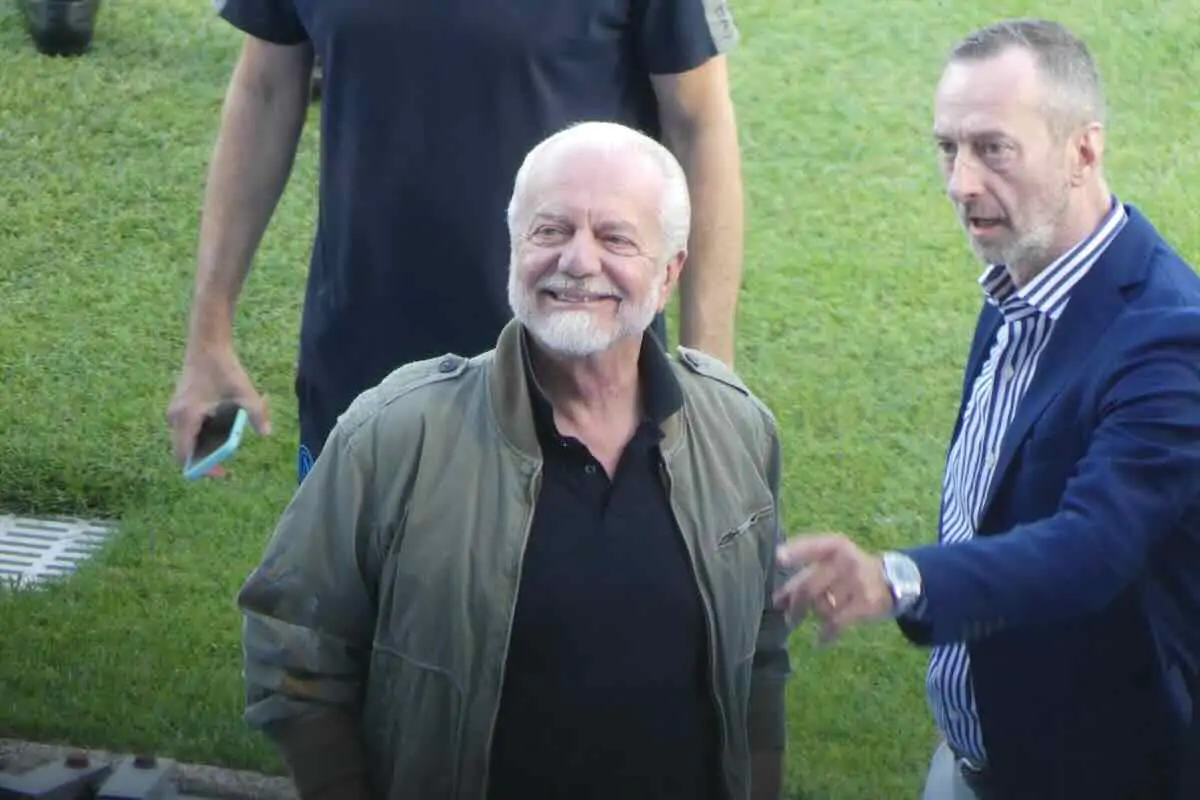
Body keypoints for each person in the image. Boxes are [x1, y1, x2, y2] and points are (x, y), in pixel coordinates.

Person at [235, 122, 791, 800]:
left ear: (670, 271)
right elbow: (292, 644)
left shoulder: (737, 431)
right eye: (550, 230)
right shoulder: (396, 435)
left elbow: (762, 654)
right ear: (513, 249)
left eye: (615, 238)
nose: (577, 261)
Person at [772, 18, 1200, 800]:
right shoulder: (1018, 285)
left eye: (993, 149)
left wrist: (898, 580)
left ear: (1083, 151)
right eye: (948, 148)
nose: (960, 183)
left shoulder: (1170, 336)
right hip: (976, 759)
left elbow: (1092, 547)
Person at [166, 0, 746, 483]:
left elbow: (697, 124)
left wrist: (708, 381)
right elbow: (265, 90)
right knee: (355, 586)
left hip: (571, 384)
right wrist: (208, 333)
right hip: (359, 370)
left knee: (566, 587)